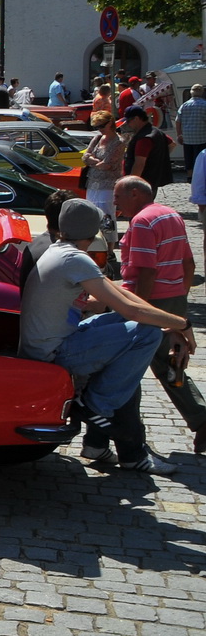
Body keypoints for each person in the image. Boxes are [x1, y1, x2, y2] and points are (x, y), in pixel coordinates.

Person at [21, 199, 183, 474]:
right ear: (93, 231)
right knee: (146, 334)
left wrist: (175, 325)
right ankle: (98, 405)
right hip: (57, 350)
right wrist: (183, 323)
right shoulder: (75, 258)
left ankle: (98, 439)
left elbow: (119, 296)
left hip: (52, 341)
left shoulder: (60, 250)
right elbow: (130, 308)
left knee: (128, 331)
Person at [114, 177, 206, 455]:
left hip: (151, 301)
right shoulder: (171, 214)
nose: (115, 203)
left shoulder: (142, 222)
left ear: (134, 193)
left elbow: (146, 271)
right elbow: (187, 261)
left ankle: (199, 419)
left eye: (118, 196)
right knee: (170, 363)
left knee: (136, 363)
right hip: (173, 297)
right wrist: (180, 295)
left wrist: (139, 310)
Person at [83, 110, 123, 230]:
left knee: (107, 216)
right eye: (97, 126)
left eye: (102, 125)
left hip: (108, 184)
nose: (99, 129)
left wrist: (92, 160)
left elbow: (107, 165)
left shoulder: (118, 142)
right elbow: (84, 157)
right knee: (91, 214)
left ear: (110, 123)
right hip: (92, 182)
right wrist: (96, 162)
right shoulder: (97, 138)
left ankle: (109, 246)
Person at [122, 107, 172, 187]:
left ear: (136, 119)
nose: (127, 124)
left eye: (128, 121)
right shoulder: (156, 131)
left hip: (142, 182)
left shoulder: (144, 138)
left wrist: (130, 184)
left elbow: (139, 164)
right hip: (152, 179)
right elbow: (172, 144)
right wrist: (157, 158)